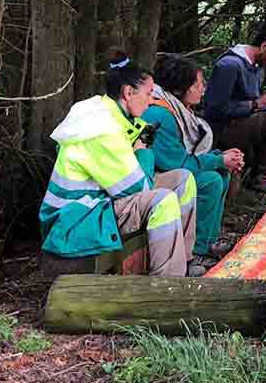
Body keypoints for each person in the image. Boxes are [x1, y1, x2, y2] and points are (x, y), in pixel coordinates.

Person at [40, 55, 199, 277]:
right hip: (78, 218)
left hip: (100, 198)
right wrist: (143, 152)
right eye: (148, 93)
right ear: (128, 93)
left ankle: (185, 261)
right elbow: (140, 189)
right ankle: (168, 285)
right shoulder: (102, 129)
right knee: (163, 201)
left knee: (183, 180)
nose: (151, 100)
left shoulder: (107, 111)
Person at [145, 54, 247, 272]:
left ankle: (208, 240)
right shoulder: (159, 113)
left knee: (220, 174)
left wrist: (222, 157)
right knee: (210, 181)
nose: (203, 89)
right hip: (151, 177)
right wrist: (219, 159)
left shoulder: (178, 109)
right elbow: (178, 164)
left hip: (169, 170)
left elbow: (185, 154)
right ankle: (194, 254)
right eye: (198, 84)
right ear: (180, 88)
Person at [203, 23, 266, 193]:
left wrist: (265, 105)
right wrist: (256, 104)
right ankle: (263, 177)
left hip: (245, 119)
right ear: (264, 46)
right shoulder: (230, 65)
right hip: (224, 129)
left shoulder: (256, 66)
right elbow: (214, 110)